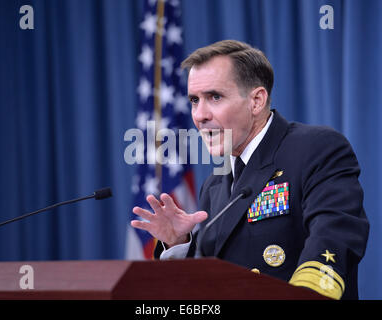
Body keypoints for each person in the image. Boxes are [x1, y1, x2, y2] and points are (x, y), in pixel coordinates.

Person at [131, 40, 369, 300]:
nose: (199, 115)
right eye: (194, 100)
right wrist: (179, 242)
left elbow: (334, 237)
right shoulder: (214, 184)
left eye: (215, 97)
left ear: (256, 101)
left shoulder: (315, 148)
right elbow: (216, 278)